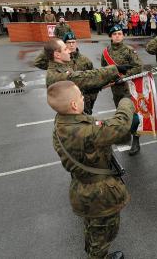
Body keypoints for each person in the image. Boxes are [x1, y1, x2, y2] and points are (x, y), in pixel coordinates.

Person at [48, 80, 138, 259]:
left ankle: (95, 252)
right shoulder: (84, 132)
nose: (83, 98)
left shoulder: (61, 123)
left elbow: (95, 129)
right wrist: (126, 101)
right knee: (104, 233)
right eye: (81, 96)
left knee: (93, 228)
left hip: (82, 189)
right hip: (99, 194)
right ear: (74, 104)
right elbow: (120, 125)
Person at [44, 38, 132, 103]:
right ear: (57, 55)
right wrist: (115, 69)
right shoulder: (57, 75)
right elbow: (86, 78)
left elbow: (86, 77)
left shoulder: (62, 67)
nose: (69, 51)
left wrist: (106, 81)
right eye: (65, 49)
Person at [101, 25, 143, 155]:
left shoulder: (129, 50)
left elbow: (138, 67)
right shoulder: (106, 52)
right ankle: (126, 135)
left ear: (123, 35)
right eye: (115, 34)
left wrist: (124, 76)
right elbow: (104, 69)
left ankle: (136, 140)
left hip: (129, 89)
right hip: (115, 90)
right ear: (111, 36)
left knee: (134, 117)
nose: (117, 36)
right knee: (121, 114)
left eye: (119, 33)